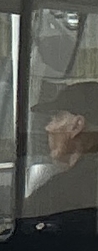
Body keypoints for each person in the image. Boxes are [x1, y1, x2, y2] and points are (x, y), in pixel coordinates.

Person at [23, 79, 98, 222]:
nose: (48, 128)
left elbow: (21, 239)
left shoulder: (57, 194)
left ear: (77, 126)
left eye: (56, 118)